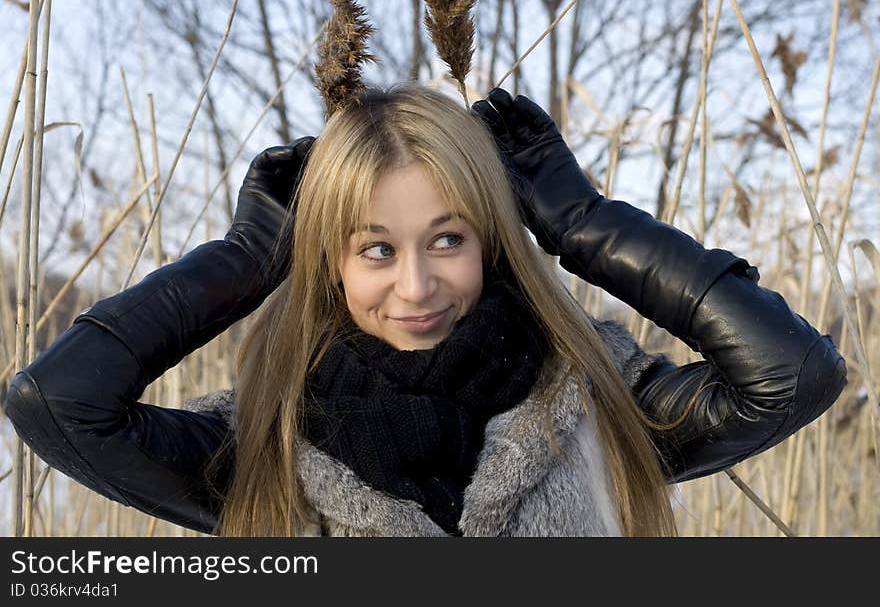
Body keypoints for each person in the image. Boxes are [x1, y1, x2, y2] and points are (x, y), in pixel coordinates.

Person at [4, 83, 847, 537]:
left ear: (490, 239)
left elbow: (792, 371)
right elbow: (57, 400)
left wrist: (584, 225)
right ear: (329, 262)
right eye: (376, 248)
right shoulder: (261, 438)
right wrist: (247, 260)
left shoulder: (594, 398)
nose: (415, 285)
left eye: (446, 239)